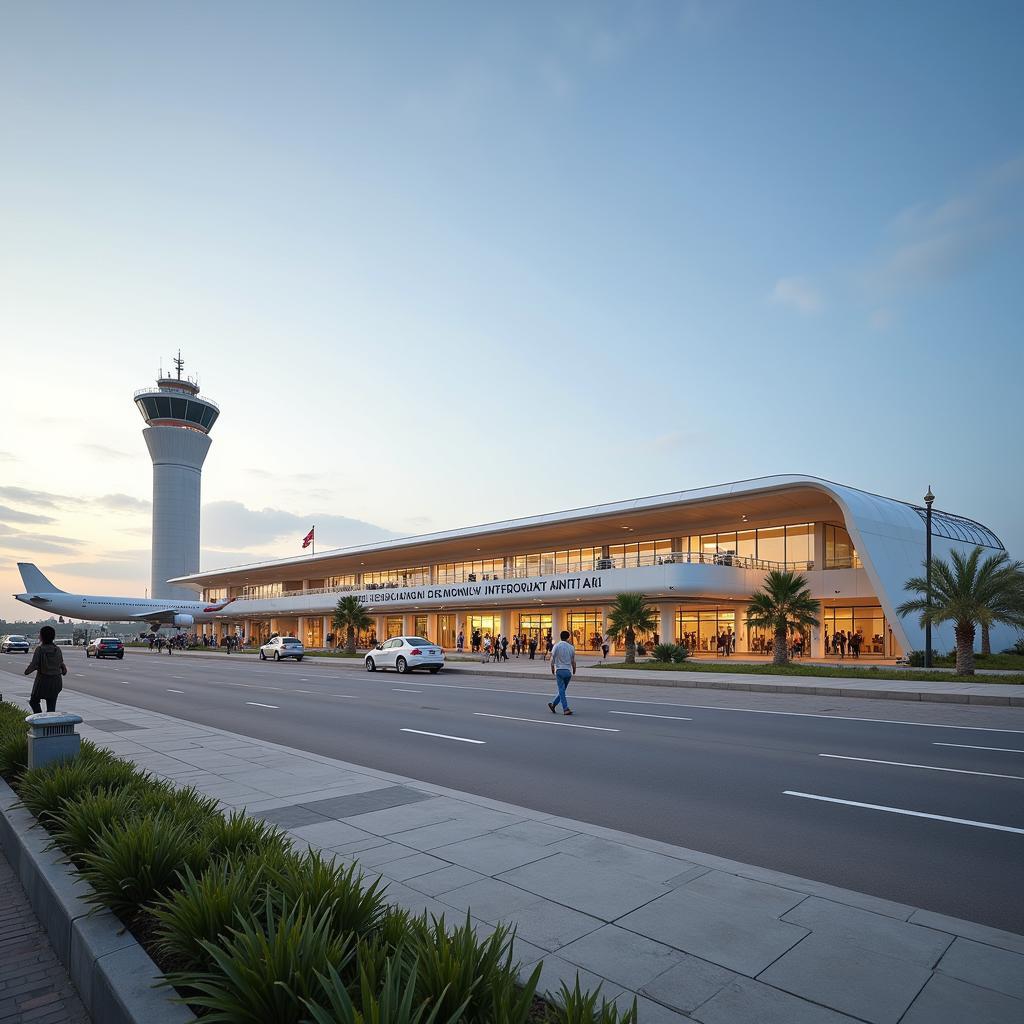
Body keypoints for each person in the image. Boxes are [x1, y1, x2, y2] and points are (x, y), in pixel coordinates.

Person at [24, 625, 67, 713]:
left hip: (43, 680)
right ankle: (49, 724)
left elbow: (34, 664)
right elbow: (62, 665)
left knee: (34, 701)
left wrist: (27, 671)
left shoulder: (40, 649)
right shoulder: (57, 649)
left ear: (42, 637)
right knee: (51, 706)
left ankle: (40, 718)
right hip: (56, 681)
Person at [547, 629, 576, 716]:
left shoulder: (556, 646)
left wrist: (552, 667)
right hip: (568, 671)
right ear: (568, 637)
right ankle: (553, 704)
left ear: (560, 637)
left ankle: (565, 708)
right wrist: (574, 669)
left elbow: (552, 658)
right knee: (562, 690)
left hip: (559, 670)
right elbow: (573, 661)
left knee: (561, 690)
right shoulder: (571, 647)